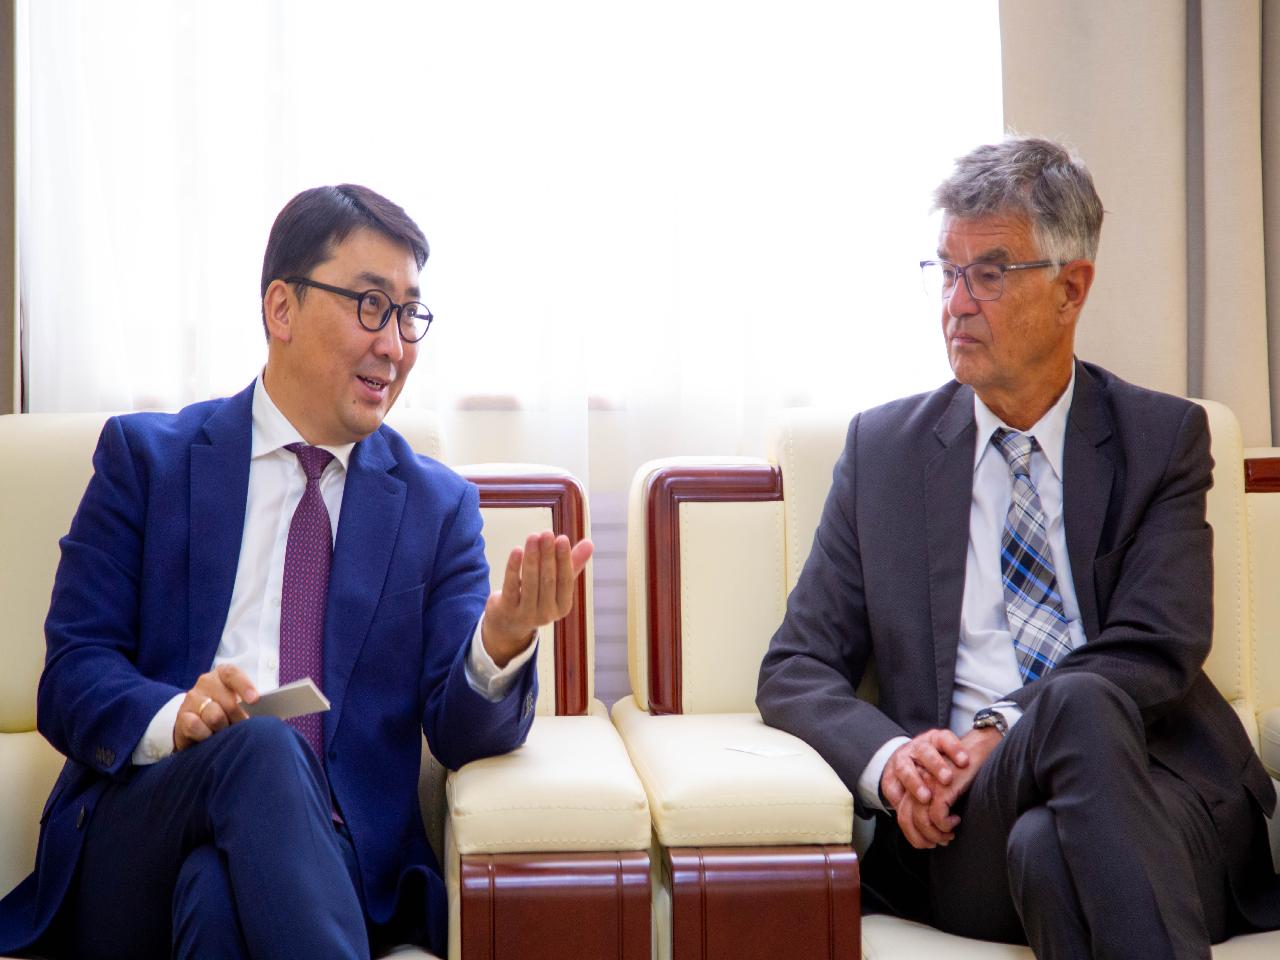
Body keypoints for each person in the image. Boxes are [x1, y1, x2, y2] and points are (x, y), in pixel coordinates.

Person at [0, 183, 592, 959]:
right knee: (264, 748)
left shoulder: (435, 507)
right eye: (371, 306)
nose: (395, 346)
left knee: (217, 898)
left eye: (409, 314)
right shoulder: (147, 462)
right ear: (282, 308)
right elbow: (72, 676)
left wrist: (502, 639)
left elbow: (461, 734)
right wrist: (177, 716)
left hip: (330, 859)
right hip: (141, 830)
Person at [757, 137, 1280, 957]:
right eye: (946, 271)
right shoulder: (884, 454)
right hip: (967, 822)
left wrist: (1003, 725)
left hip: (1162, 792)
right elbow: (796, 666)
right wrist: (892, 762)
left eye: (990, 274)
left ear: (1072, 288)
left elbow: (1158, 643)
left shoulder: (1160, 440)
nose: (957, 304)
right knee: (1060, 748)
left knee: (1052, 828)